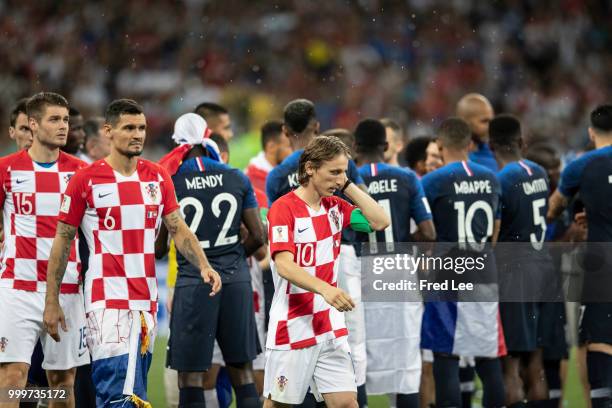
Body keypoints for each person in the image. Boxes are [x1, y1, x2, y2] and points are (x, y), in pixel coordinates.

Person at [43, 99, 222, 407]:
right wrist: (52, 300)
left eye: (141, 127)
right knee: (119, 395)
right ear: (108, 132)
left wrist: (204, 264)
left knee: (135, 392)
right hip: (106, 300)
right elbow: (63, 240)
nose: (137, 134)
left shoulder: (157, 176)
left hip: (145, 303)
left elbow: (178, 228)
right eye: (128, 128)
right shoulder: (85, 180)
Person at [264, 135, 389, 407]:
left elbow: (380, 221)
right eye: (334, 172)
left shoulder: (336, 207)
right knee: (278, 405)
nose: (339, 178)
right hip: (293, 323)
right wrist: (326, 288)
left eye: (343, 171)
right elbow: (284, 265)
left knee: (346, 403)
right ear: (310, 168)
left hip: (328, 323)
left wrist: (347, 185)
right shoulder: (283, 209)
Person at [158, 112, 264, 408]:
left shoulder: (171, 181)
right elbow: (258, 235)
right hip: (236, 280)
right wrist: (232, 257)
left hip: (193, 282)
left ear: (179, 143)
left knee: (190, 377)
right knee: (242, 373)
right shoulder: (236, 176)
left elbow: (158, 250)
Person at [0, 92, 89, 408]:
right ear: (33, 125)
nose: (63, 126)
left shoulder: (82, 172)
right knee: (11, 381)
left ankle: (41, 400)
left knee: (63, 386)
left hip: (66, 292)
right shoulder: (6, 169)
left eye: (65, 119)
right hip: (17, 289)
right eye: (55, 119)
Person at [420, 117, 506, 407]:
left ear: (441, 145)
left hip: (448, 273)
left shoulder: (432, 181)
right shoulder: (491, 177)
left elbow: (424, 230)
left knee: (446, 356)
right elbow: (495, 227)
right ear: (470, 144)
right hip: (483, 270)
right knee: (486, 356)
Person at [354, 119, 435, 408]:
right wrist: (403, 237)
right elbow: (429, 233)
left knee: (356, 354)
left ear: (354, 148)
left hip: (359, 269)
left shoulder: (347, 181)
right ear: (386, 147)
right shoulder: (407, 178)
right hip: (399, 269)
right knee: (406, 360)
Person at [547, 104, 612, 408]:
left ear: (590, 132)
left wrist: (587, 216)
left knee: (599, 341)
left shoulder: (580, 165)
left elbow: (553, 208)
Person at [489, 114, 551, 406]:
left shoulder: (501, 179)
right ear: (522, 142)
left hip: (514, 271)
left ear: (491, 146)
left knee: (511, 365)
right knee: (536, 361)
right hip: (544, 266)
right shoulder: (539, 172)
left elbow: (496, 230)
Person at [245, 120, 292, 208]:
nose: (294, 151)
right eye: (289, 146)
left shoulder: (290, 172)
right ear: (271, 147)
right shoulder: (252, 183)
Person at [457, 93, 497, 172]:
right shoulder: (448, 157)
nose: (490, 126)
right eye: (484, 121)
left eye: (492, 121)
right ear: (465, 122)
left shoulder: (496, 155)